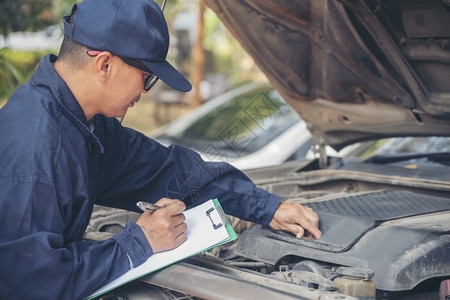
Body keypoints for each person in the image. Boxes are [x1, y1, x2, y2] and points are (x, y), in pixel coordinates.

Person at [0, 0, 321, 298]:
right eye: (146, 77)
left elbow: (167, 170)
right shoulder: (36, 148)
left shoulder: (81, 124)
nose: (145, 91)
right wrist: (138, 243)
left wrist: (266, 207)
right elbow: (34, 282)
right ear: (104, 65)